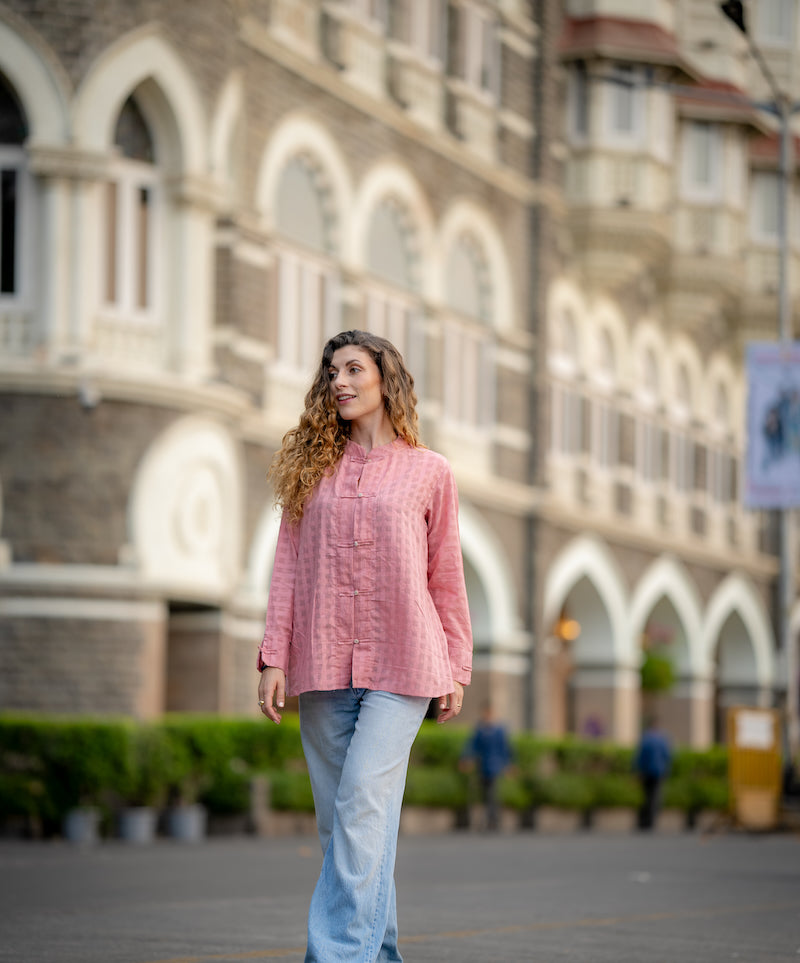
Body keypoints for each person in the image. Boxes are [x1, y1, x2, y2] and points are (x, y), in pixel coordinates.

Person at [257, 329, 473, 963]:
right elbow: (288, 567)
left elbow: (445, 575)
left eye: (353, 369)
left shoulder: (430, 471)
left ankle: (335, 958)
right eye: (331, 372)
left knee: (359, 811)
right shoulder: (312, 471)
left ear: (386, 379)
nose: (340, 382)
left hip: (405, 663)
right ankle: (380, 955)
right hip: (322, 663)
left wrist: (457, 665)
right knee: (346, 829)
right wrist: (273, 657)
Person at [460, 701, 512, 831]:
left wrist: (508, 764)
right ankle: (488, 819)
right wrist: (467, 758)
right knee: (484, 794)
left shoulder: (499, 730)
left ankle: (493, 820)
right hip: (482, 765)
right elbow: (472, 746)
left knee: (492, 793)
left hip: (495, 765)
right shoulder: (480, 729)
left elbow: (505, 748)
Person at [633, 715, 672, 830]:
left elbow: (640, 756)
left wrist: (638, 770)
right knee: (655, 795)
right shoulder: (662, 739)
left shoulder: (646, 738)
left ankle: (645, 820)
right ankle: (652, 819)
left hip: (646, 771)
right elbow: (667, 755)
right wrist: (666, 769)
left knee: (647, 795)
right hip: (659, 771)